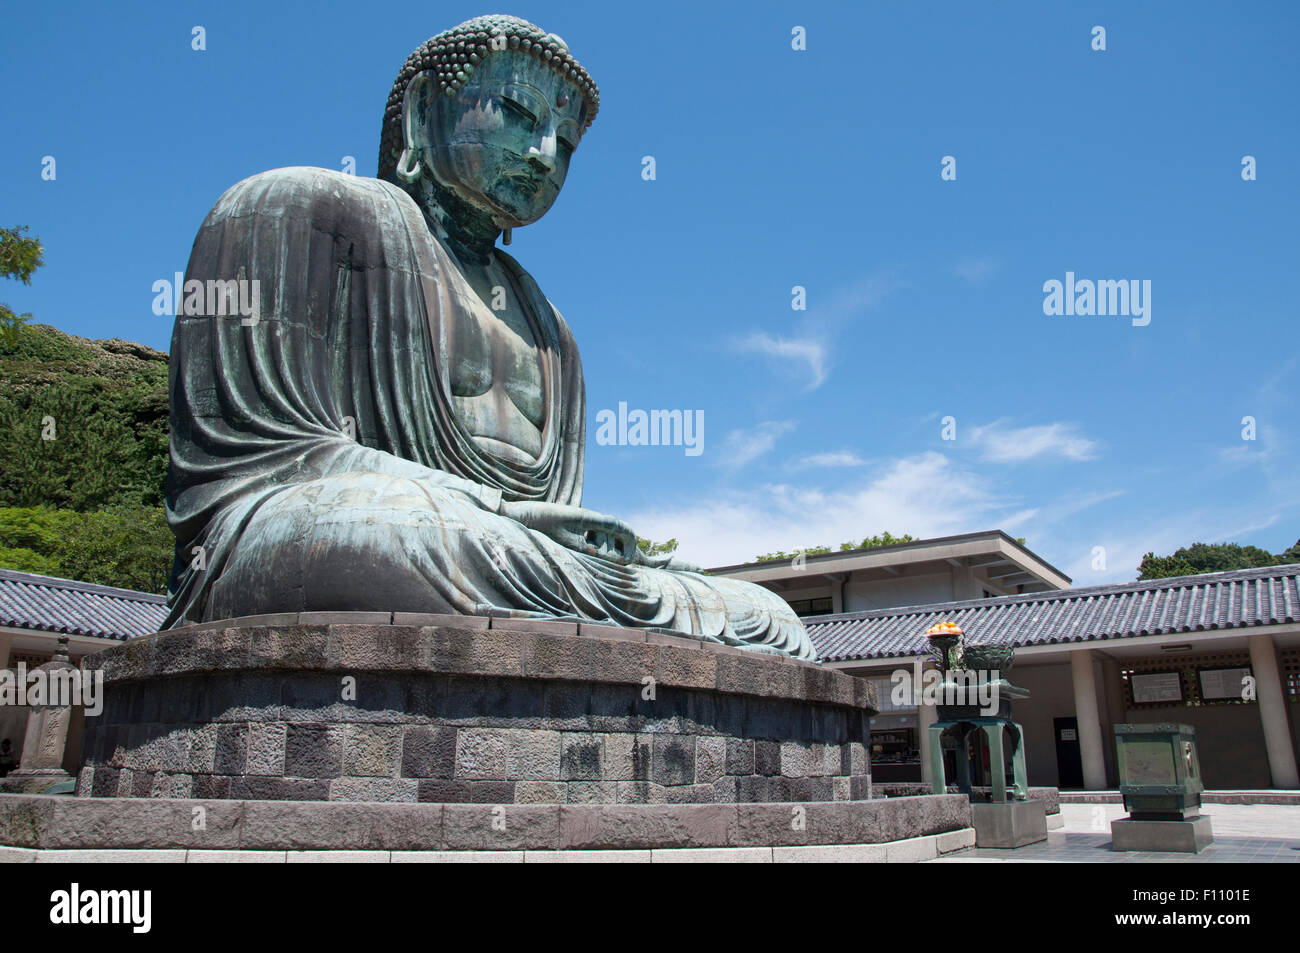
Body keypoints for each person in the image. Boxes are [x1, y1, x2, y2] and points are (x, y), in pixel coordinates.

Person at [163, 15, 813, 660]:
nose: (547, 153)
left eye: (567, 143)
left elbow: (551, 519)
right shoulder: (300, 210)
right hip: (344, 531)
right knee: (398, 536)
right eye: (517, 111)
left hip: (505, 555)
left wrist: (537, 533)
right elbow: (266, 464)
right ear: (424, 110)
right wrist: (485, 506)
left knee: (765, 613)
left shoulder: (551, 328)